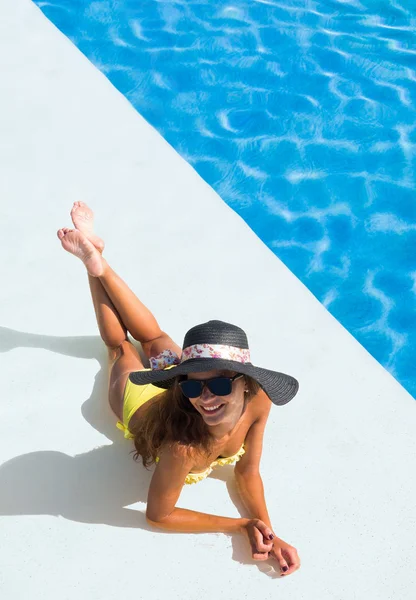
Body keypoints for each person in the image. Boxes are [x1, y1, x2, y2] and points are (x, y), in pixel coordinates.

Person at [57, 201, 301, 576]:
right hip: (138, 402)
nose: (205, 398)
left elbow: (247, 471)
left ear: (248, 386)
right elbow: (160, 515)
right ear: (180, 381)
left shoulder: (260, 403)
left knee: (152, 337)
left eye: (219, 383)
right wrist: (237, 525)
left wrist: (266, 528)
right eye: (193, 385)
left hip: (174, 382)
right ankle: (94, 266)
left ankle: (98, 259)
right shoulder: (182, 449)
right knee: (120, 346)